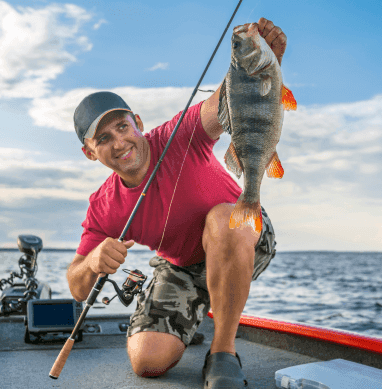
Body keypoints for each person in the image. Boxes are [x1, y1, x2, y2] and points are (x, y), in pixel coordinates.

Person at [67, 17, 287, 389]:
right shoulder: (104, 205)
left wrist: (262, 62)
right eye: (102, 139)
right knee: (147, 362)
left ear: (136, 122)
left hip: (243, 233)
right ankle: (195, 313)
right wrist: (92, 261)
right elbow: (77, 285)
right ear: (90, 153)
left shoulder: (178, 135)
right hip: (180, 267)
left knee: (221, 220)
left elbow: (223, 102)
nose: (119, 142)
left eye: (122, 127)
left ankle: (223, 353)